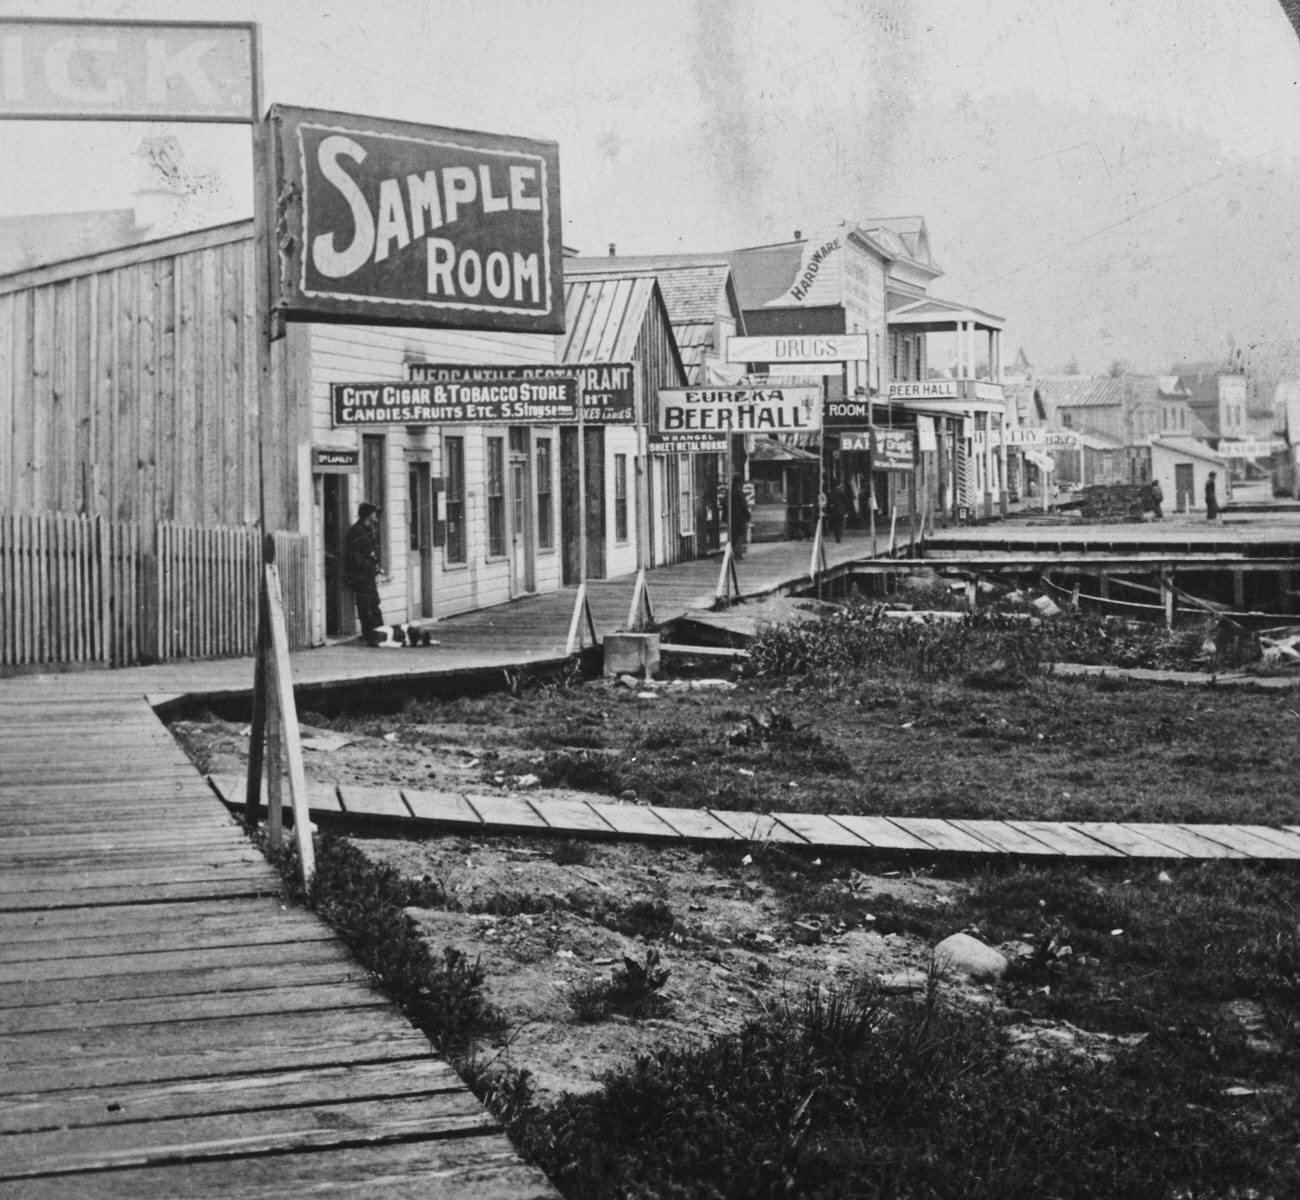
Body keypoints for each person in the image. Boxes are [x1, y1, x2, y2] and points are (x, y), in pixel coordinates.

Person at [344, 501, 384, 644]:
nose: (376, 515)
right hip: (360, 576)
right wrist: (368, 566)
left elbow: (372, 551)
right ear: (368, 514)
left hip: (369, 574)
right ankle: (370, 635)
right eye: (374, 513)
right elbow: (354, 555)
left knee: (374, 602)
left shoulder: (369, 529)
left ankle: (381, 633)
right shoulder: (357, 531)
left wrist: (376, 565)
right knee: (365, 606)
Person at [729, 474, 751, 560]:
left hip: (732, 517)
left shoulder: (730, 491)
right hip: (740, 517)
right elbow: (744, 506)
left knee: (734, 535)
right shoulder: (739, 492)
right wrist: (748, 516)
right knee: (741, 534)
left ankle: (735, 552)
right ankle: (737, 552)